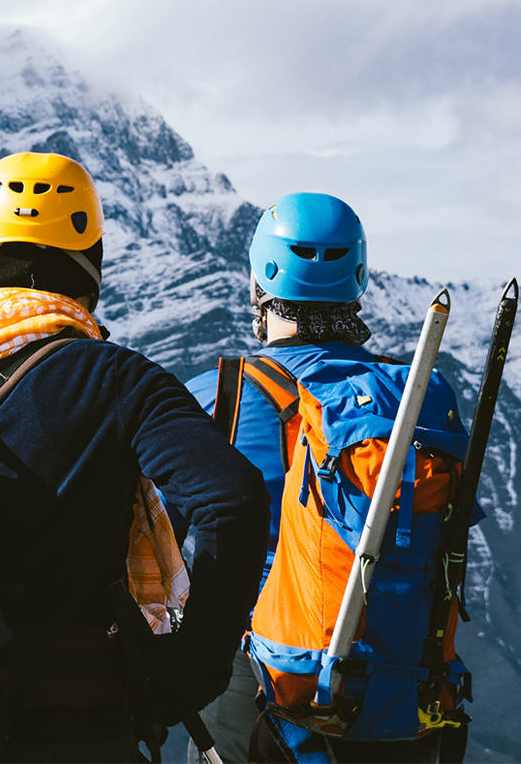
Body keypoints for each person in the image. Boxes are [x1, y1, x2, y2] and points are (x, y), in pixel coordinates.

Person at [0, 152, 269, 762]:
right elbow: (231, 500)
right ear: (89, 263)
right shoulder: (115, 379)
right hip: (77, 720)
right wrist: (193, 668)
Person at [184, 194, 466, 764]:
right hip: (400, 674)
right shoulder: (419, 402)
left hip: (260, 675)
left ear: (262, 288)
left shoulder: (222, 395)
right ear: (356, 280)